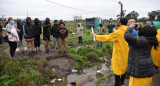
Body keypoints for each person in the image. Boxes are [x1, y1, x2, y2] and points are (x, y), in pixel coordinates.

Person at [91, 18, 129, 86]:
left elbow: (107, 37)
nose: (117, 22)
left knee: (117, 70)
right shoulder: (128, 30)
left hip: (119, 53)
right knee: (124, 67)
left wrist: (96, 36)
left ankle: (117, 84)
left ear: (120, 23)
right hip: (126, 53)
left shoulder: (118, 32)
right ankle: (122, 82)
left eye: (118, 21)